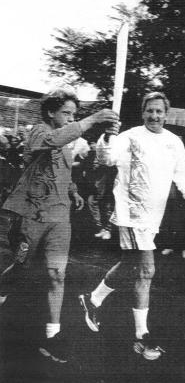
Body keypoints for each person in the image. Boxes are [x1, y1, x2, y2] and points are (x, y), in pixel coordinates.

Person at [0, 88, 120, 363]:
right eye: (66, 113)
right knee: (21, 265)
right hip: (32, 215)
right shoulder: (39, 132)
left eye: (73, 115)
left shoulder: (66, 139)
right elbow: (54, 141)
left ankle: (53, 334)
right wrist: (91, 120)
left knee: (57, 274)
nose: (70, 118)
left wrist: (74, 191)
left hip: (59, 218)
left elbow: (64, 171)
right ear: (50, 111)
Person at [79, 92, 185, 360]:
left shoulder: (173, 142)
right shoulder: (130, 136)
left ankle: (93, 299)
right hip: (131, 212)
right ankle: (142, 336)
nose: (154, 116)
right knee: (146, 270)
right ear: (142, 113)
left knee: (129, 265)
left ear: (166, 114)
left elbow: (182, 173)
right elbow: (106, 158)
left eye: (159, 111)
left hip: (153, 217)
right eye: (150, 111)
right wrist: (109, 136)